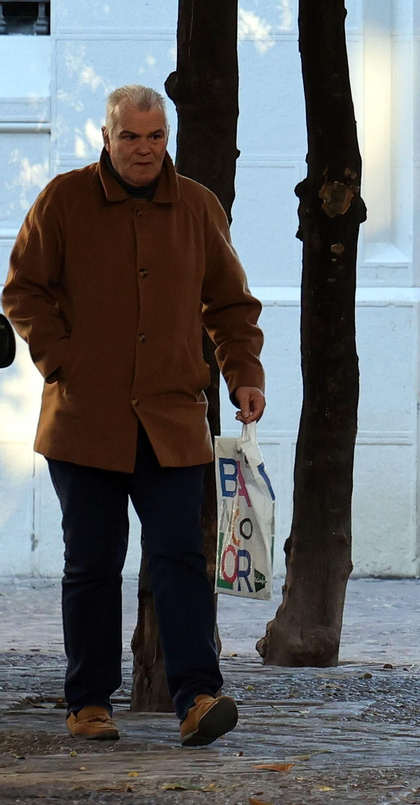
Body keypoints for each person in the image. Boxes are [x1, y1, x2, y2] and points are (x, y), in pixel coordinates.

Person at [2, 85, 266, 747]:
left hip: (172, 422)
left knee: (180, 557)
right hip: (84, 420)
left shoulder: (198, 207)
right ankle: (89, 703)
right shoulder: (63, 199)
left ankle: (198, 698)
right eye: (130, 137)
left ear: (166, 138)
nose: (144, 149)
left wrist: (244, 375)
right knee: (92, 564)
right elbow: (23, 290)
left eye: (155, 137)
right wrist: (62, 360)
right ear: (107, 137)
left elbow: (231, 307)